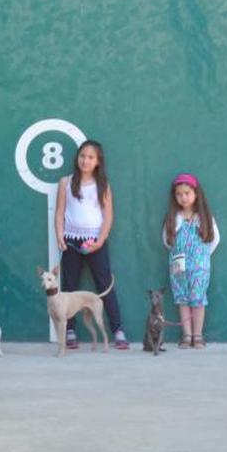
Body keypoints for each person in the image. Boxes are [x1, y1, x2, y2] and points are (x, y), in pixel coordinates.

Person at [53, 139, 128, 349]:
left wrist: (100, 241)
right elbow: (59, 213)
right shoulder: (65, 183)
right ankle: (69, 330)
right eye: (82, 156)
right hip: (71, 241)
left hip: (95, 241)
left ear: (98, 162)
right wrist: (60, 235)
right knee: (69, 287)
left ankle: (118, 330)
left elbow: (108, 216)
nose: (85, 161)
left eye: (91, 157)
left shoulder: (102, 185)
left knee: (104, 286)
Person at [162, 173, 220, 348]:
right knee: (182, 298)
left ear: (196, 194)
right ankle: (186, 335)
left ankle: (197, 335)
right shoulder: (174, 218)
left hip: (200, 266)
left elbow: (215, 239)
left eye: (187, 193)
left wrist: (202, 256)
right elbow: (166, 239)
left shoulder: (204, 217)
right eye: (179, 194)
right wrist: (177, 254)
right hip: (179, 265)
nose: (183, 197)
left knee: (198, 298)